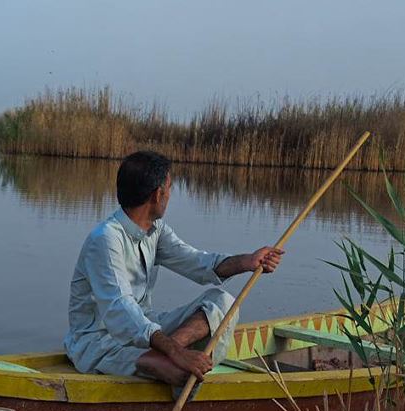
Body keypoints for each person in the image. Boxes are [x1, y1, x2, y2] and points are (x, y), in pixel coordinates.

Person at [64, 150, 283, 387]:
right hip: (101, 343)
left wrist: (247, 262)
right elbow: (121, 308)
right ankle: (163, 360)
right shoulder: (105, 239)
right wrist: (175, 352)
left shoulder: (156, 230)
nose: (170, 194)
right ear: (158, 195)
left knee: (224, 303)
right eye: (169, 188)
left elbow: (197, 262)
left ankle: (158, 359)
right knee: (184, 376)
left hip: (147, 335)